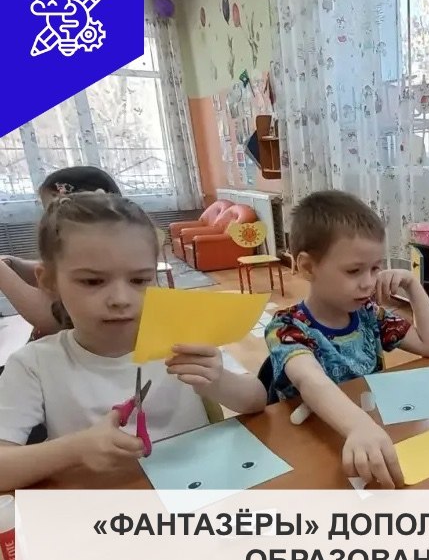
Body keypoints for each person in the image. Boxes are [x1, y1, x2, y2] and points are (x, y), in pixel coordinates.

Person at [0, 192, 267, 491]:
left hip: (197, 493)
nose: (120, 299)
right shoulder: (34, 364)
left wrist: (219, 382)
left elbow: (256, 400)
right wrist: (74, 449)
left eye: (139, 280)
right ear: (48, 281)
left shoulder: (181, 337)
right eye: (92, 281)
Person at [264, 190, 429, 489]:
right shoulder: (287, 327)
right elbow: (311, 381)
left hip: (367, 439)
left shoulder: (368, 314)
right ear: (308, 267)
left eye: (375, 268)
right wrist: (359, 426)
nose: (368, 282)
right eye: (354, 271)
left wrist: (413, 286)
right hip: (310, 448)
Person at [0, 166, 121, 336]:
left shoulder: (104, 248)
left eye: (53, 209)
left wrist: (3, 273)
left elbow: (51, 319)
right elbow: (60, 272)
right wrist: (14, 264)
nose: (48, 218)